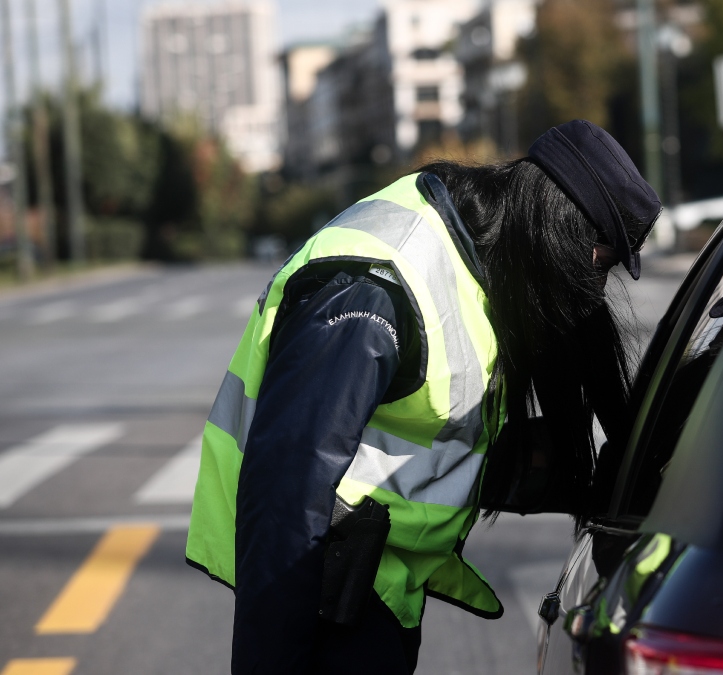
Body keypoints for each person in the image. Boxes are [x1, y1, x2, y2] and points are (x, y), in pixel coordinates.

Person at [184, 119, 661, 674]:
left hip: (372, 592)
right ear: (557, 228)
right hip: (318, 598)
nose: (595, 288)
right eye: (599, 262)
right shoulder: (379, 290)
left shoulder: (479, 259)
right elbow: (288, 496)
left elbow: (452, 436)